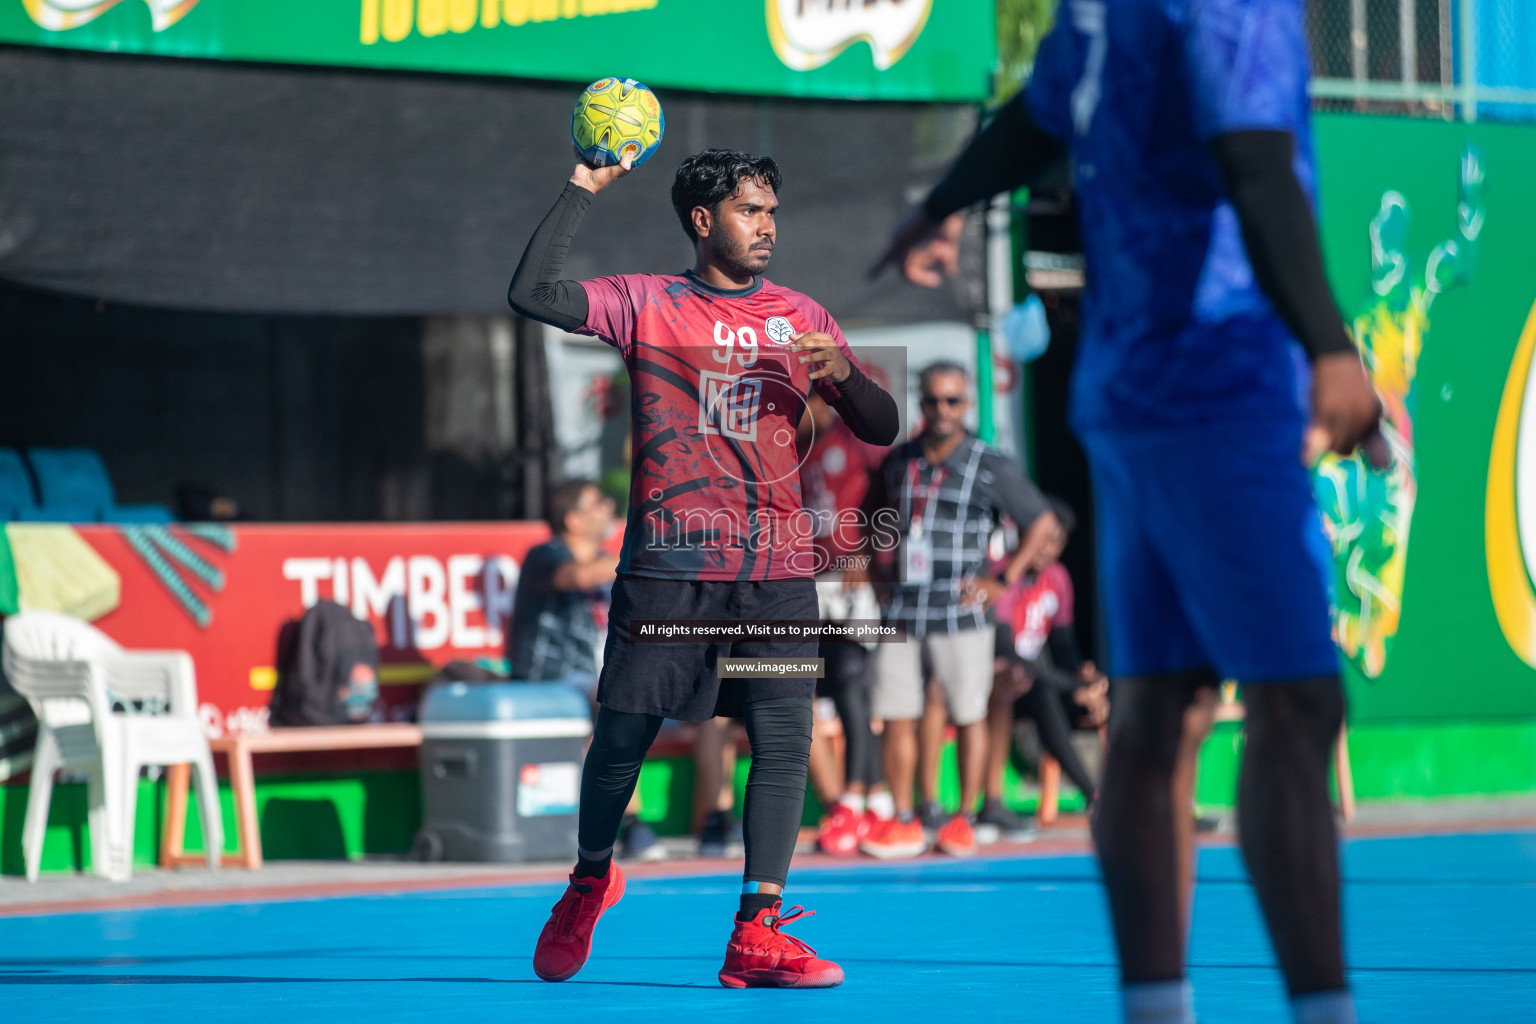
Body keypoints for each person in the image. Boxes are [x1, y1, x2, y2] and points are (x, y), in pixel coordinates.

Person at [874, 2, 1383, 1021]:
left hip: (1127, 386)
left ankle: (1155, 1004)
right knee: (1298, 702)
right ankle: (1323, 1007)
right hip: (1225, 381)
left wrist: (944, 200)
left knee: (1161, 709)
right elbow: (1252, 161)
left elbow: (1039, 114)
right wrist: (1332, 346)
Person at [509, 147, 900, 988]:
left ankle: (756, 930)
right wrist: (581, 186)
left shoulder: (801, 316)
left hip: (776, 572)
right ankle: (590, 878)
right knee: (622, 738)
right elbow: (531, 294)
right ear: (702, 220)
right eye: (749, 211)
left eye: (770, 213)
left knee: (784, 737)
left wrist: (848, 377)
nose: (766, 227)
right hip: (668, 565)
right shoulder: (644, 302)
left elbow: (881, 427)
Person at [857, 362, 1057, 860]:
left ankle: (963, 818)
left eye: (951, 401)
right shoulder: (900, 460)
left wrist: (1004, 580)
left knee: (969, 713)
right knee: (897, 713)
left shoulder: (990, 462)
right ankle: (905, 819)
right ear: (920, 403)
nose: (941, 410)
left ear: (966, 404)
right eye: (931, 401)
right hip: (904, 608)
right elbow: (869, 516)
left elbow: (1042, 522)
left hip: (962, 608)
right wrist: (877, 575)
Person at [508, 480, 661, 862]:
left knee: (708, 706)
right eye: (597, 502)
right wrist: (643, 551)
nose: (609, 505)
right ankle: (632, 824)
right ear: (573, 519)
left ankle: (716, 823)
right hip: (549, 680)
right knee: (614, 698)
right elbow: (574, 578)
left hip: (598, 680)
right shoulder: (545, 555)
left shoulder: (611, 564)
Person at [797, 391, 896, 854]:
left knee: (853, 682)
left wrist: (867, 552)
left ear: (820, 403)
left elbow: (891, 496)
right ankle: (875, 802)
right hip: (811, 582)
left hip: (853, 582)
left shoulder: (857, 443)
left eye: (799, 403)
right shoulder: (793, 447)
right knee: (822, 684)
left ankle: (853, 801)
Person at [981, 499, 1107, 838]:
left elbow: (1064, 648)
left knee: (1109, 691)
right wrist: (1071, 686)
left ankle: (1139, 796)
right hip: (1006, 685)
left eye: (1055, 541)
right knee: (1041, 688)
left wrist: (1085, 676)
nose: (1046, 548)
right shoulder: (1004, 574)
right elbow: (1005, 649)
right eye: (1041, 537)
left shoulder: (1058, 578)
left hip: (1044, 679)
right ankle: (1093, 795)